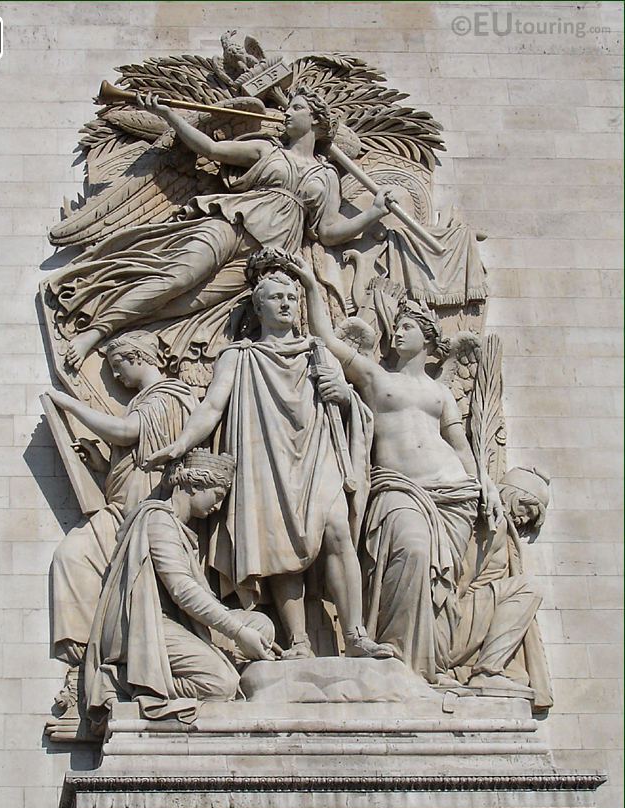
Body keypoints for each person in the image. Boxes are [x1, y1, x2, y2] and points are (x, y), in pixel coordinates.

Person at [144, 249, 391, 660]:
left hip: (317, 450)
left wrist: (344, 397)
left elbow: (357, 406)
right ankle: (299, 641)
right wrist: (180, 444)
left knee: (337, 530)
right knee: (277, 542)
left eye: (292, 298)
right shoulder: (238, 356)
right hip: (265, 455)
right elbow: (211, 409)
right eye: (277, 298)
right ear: (258, 307)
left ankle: (356, 635)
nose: (287, 305)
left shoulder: (319, 351)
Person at [43, 87, 397, 370]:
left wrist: (373, 213)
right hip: (232, 223)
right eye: (289, 106)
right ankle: (94, 332)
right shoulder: (266, 150)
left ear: (316, 121)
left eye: (297, 108)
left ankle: (122, 327)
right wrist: (168, 116)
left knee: (186, 303)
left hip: (269, 258)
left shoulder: (327, 176)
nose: (287, 112)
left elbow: (328, 231)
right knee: (177, 278)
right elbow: (210, 148)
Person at [299, 256, 504, 683]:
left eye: (408, 327)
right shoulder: (374, 376)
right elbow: (325, 337)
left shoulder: (441, 392)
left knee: (439, 582)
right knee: (411, 551)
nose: (399, 333)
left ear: (428, 340)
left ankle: (428, 666)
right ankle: (394, 652)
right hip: (398, 487)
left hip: (453, 494)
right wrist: (310, 285)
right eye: (399, 327)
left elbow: (460, 444)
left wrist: (486, 484)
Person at [84, 449, 276, 724]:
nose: (218, 507)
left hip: (179, 624)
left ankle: (212, 659)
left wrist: (244, 629)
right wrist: (238, 632)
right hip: (147, 627)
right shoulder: (159, 520)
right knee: (221, 684)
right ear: (195, 485)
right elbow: (182, 590)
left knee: (262, 625)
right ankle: (125, 682)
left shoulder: (179, 529)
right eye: (218, 496)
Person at [45, 330, 196, 670]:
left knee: (73, 555)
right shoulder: (143, 401)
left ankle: (95, 659)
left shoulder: (167, 396)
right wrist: (101, 465)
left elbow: (129, 433)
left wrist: (72, 405)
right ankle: (88, 659)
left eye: (117, 365)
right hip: (124, 506)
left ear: (137, 358)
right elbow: (133, 452)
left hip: (144, 509)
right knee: (72, 556)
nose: (115, 375)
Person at [449, 466, 553, 709]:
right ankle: (487, 670)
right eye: (526, 508)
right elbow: (460, 581)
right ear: (511, 496)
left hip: (469, 620)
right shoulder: (493, 525)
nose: (525, 518)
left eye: (531, 515)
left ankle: (487, 668)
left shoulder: (498, 526)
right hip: (452, 624)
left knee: (519, 678)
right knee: (528, 588)